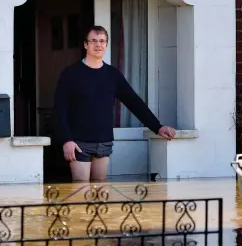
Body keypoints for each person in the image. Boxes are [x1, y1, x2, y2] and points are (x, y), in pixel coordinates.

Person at [53, 25, 176, 182]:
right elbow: (59, 111)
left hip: (104, 141)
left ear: (106, 45)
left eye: (102, 41)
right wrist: (66, 140)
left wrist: (158, 127)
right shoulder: (71, 74)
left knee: (100, 192)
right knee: (80, 191)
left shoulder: (113, 74)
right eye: (94, 41)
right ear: (85, 44)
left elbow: (134, 102)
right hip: (78, 142)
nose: (98, 45)